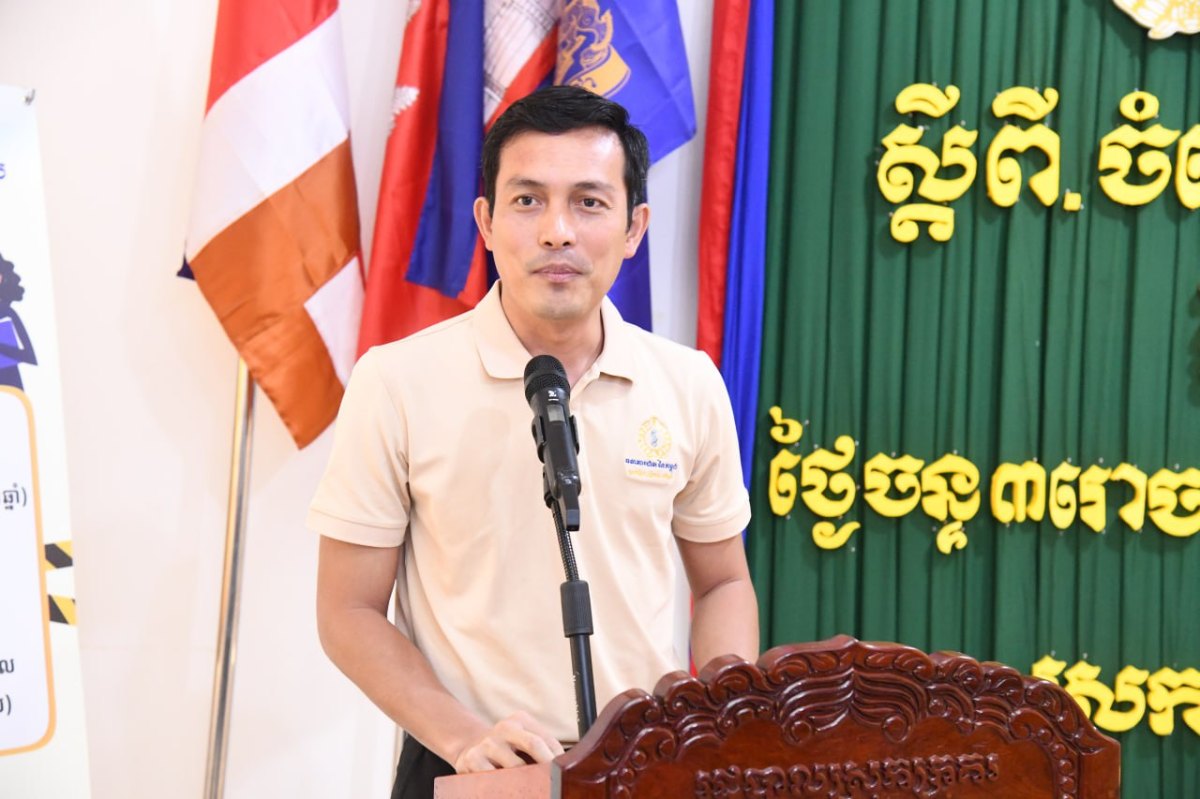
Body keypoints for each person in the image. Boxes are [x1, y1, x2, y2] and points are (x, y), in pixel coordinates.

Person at [309, 86, 757, 799]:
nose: (557, 231)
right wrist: (463, 736)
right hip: (468, 765)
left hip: (645, 765)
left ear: (635, 227)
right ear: (485, 221)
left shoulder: (688, 383)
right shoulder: (396, 381)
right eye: (527, 200)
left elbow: (723, 580)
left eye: (589, 201)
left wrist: (721, 715)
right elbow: (349, 609)